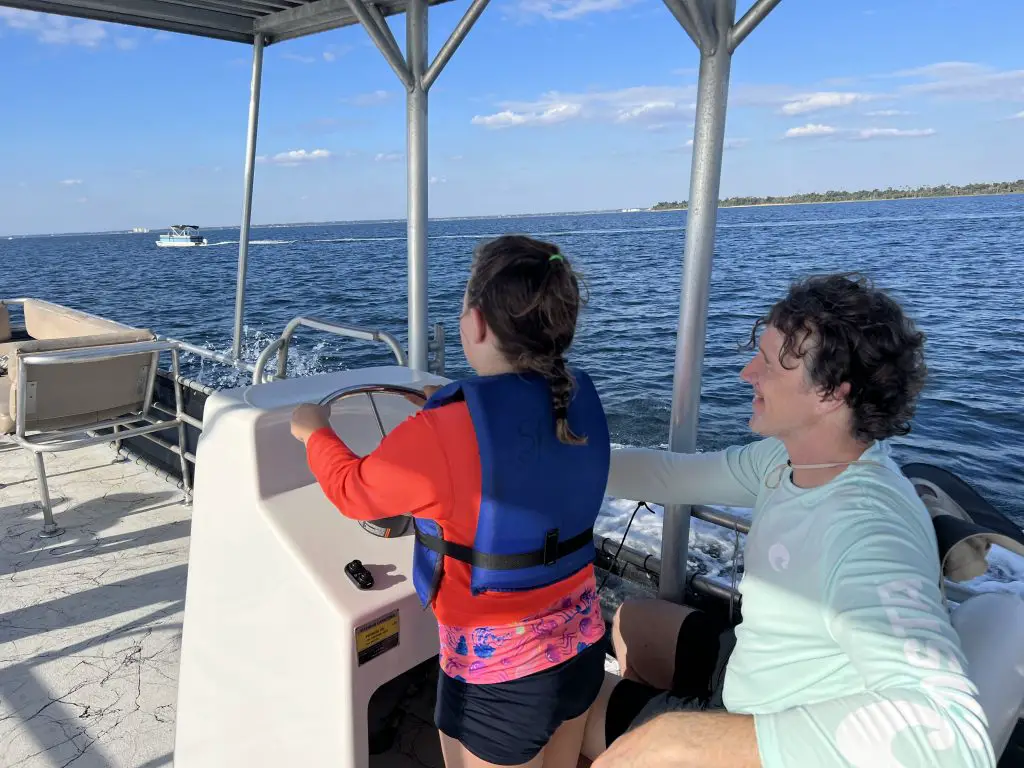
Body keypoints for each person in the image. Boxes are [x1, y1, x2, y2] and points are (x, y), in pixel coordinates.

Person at [580, 274, 995, 768]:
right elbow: (670, 475)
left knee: (568, 703)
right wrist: (556, 462)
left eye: (772, 364)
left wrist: (684, 739)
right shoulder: (788, 460)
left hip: (777, 717)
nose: (745, 372)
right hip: (762, 668)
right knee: (634, 620)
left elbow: (954, 740)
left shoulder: (869, 532)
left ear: (831, 394)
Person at [291, 235, 612, 768]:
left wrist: (313, 432)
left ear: (477, 322)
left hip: (502, 679)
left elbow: (354, 492)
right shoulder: (579, 395)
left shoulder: (442, 430)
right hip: (582, 643)